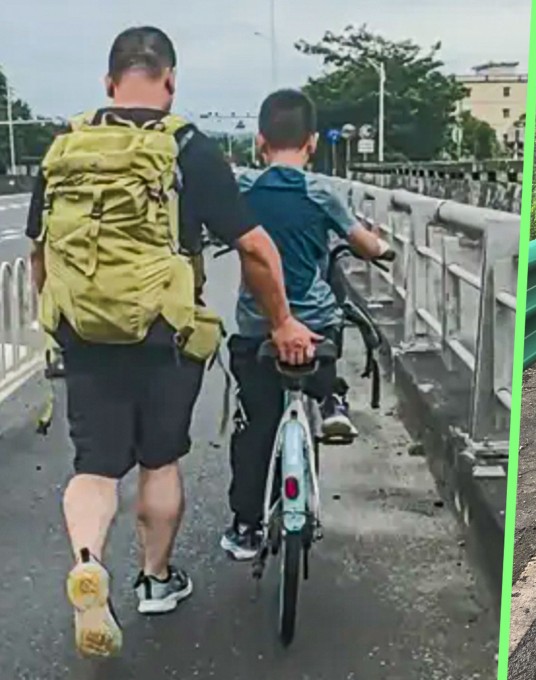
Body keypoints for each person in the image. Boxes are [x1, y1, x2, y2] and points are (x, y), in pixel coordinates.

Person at [27, 27, 318, 658]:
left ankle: (87, 562)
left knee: (94, 466)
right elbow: (256, 249)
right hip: (164, 333)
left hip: (83, 332)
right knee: (159, 461)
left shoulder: (65, 144)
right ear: (171, 81)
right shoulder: (186, 146)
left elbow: (40, 252)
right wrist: (284, 322)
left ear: (109, 82)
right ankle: (156, 580)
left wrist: (58, 321)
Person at [220, 88, 391, 561]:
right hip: (314, 324)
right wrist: (381, 248)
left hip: (258, 327)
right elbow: (363, 244)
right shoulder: (321, 192)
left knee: (254, 426)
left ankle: (246, 527)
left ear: (260, 142)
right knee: (326, 323)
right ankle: (332, 397)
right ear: (312, 142)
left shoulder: (245, 193)